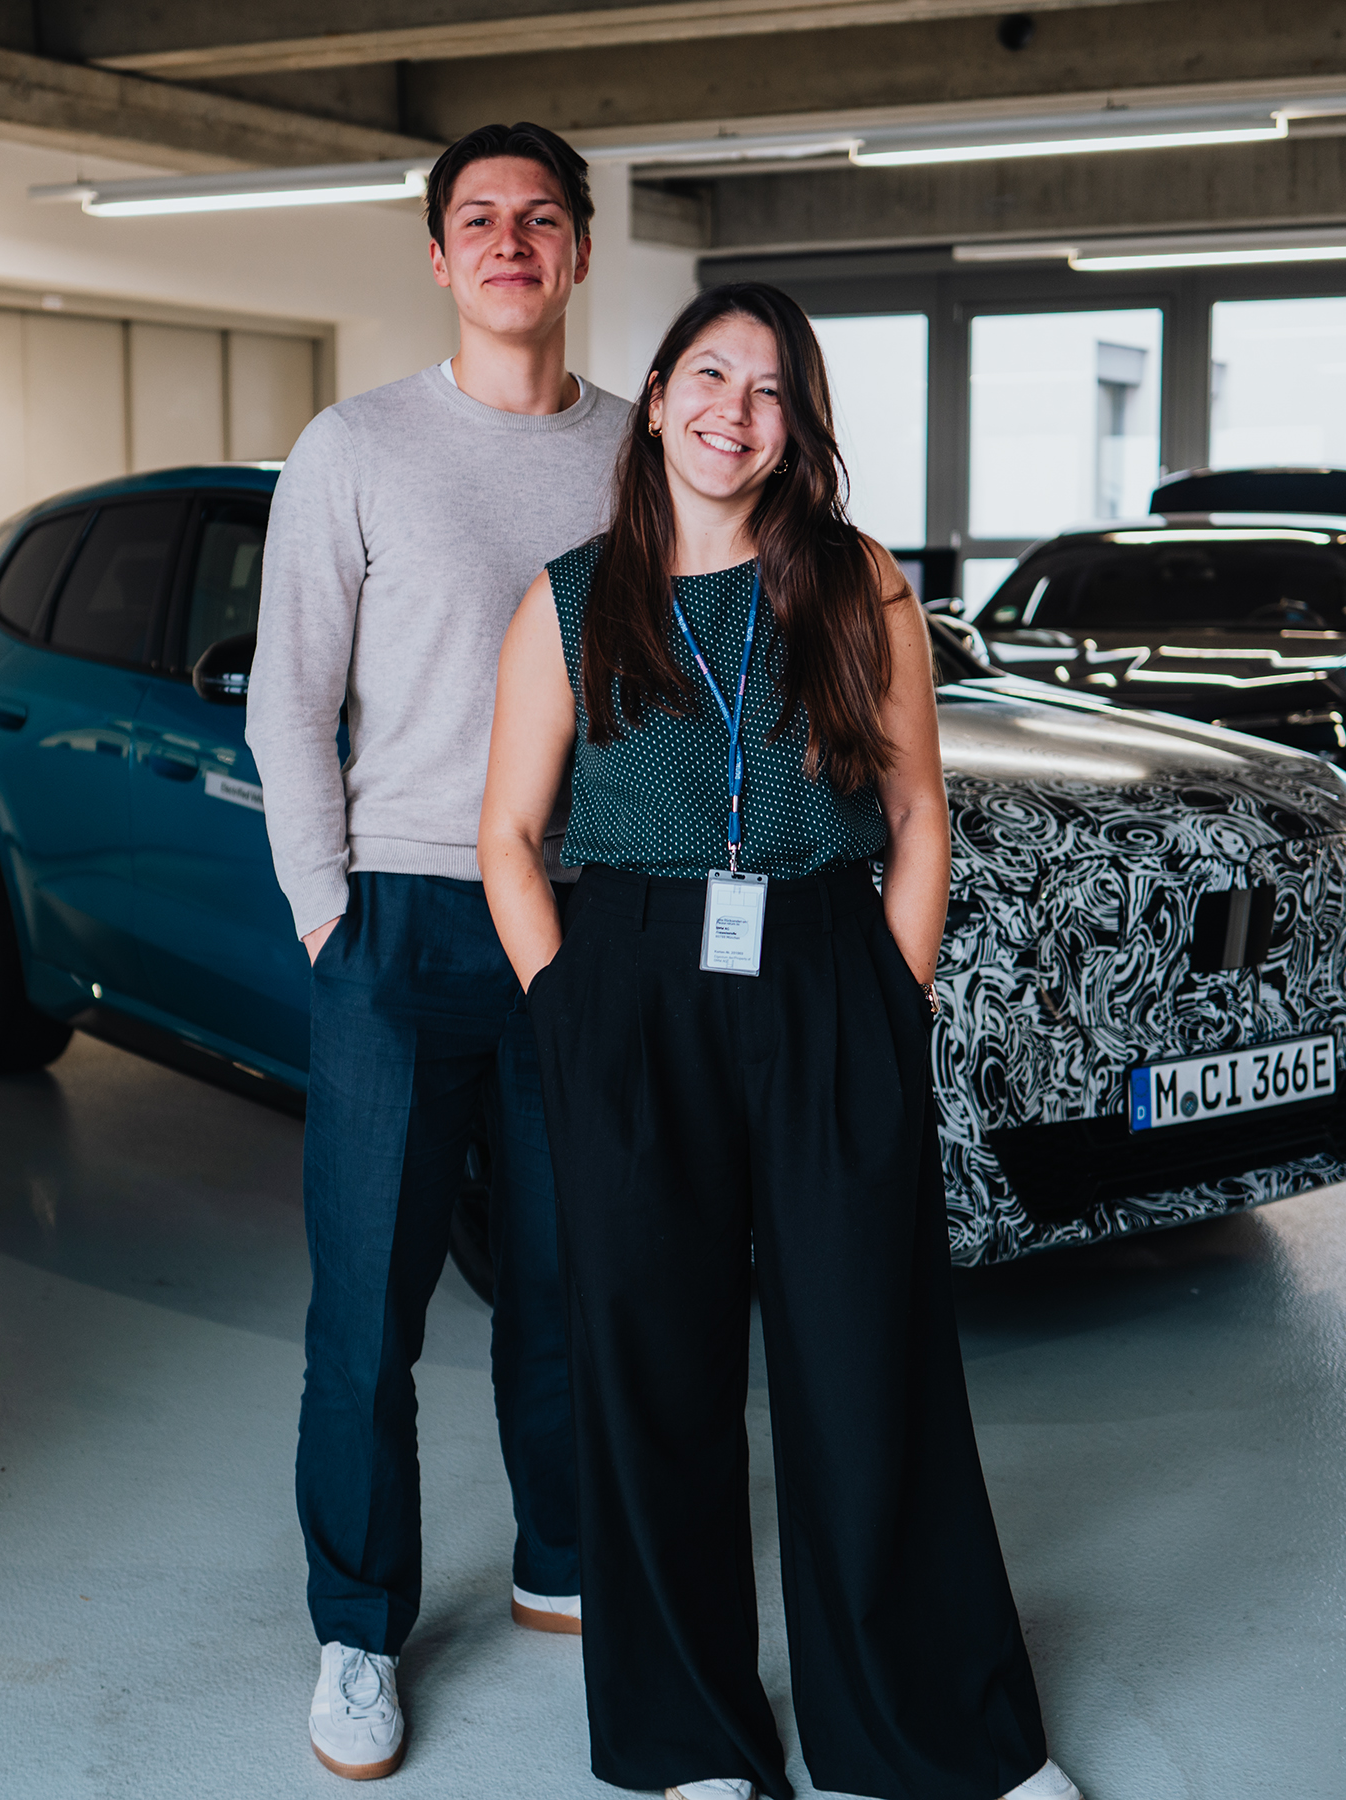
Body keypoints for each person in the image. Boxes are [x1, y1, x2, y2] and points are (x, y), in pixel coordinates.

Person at [477, 282, 1079, 1800]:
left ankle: (924, 1734)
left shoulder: (858, 584)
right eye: (708, 375)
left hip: (824, 975)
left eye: (768, 391)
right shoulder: (570, 601)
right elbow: (508, 837)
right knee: (653, 1374)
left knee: (870, 1362)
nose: (732, 411)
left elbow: (920, 814)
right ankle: (688, 1739)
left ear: (797, 429)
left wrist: (891, 998)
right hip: (633, 993)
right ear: (658, 396)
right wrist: (568, 1014)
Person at [245, 121, 631, 1781]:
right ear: (438, 256)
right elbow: (287, 701)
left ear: (581, 250)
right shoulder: (356, 447)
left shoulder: (639, 451)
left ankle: (563, 1554)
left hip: (584, 916)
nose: (510, 241)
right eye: (479, 218)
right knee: (369, 1315)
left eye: (540, 217)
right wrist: (327, 913)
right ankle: (357, 1629)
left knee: (569, 1280)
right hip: (398, 919)